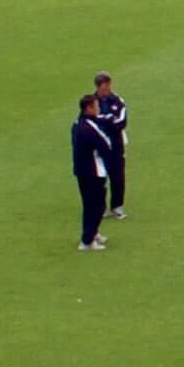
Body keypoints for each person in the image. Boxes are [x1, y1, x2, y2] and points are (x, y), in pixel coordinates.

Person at [72, 93, 114, 250]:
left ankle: (92, 233)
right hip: (92, 171)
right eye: (96, 107)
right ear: (88, 108)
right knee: (96, 205)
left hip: (82, 170)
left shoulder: (77, 124)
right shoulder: (89, 128)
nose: (98, 109)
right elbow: (106, 145)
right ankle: (87, 241)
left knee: (90, 204)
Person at [93, 73, 130, 220]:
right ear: (98, 87)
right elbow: (91, 121)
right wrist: (108, 119)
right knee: (99, 178)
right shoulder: (91, 102)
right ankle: (101, 207)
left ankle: (117, 206)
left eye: (108, 86)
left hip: (116, 144)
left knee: (118, 177)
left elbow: (121, 122)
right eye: (104, 87)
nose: (107, 89)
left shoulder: (118, 101)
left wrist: (104, 121)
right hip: (98, 146)